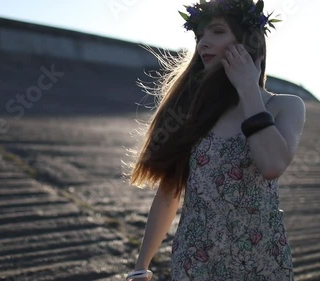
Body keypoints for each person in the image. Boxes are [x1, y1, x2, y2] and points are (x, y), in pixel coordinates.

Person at [122, 0, 306, 280]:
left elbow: (272, 164)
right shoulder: (191, 109)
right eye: (200, 36)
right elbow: (168, 191)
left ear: (249, 41)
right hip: (195, 262)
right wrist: (141, 266)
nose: (203, 43)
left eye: (217, 32)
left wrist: (248, 89)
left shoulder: (286, 106)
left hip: (261, 261)